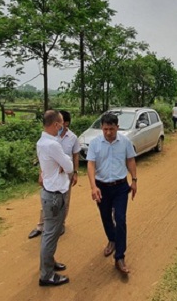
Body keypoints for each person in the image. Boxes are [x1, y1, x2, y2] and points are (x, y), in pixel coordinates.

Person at [86, 112, 138, 275]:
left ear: (117, 127)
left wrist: (134, 180)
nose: (108, 132)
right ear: (102, 127)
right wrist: (93, 186)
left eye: (111, 129)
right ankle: (112, 239)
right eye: (105, 129)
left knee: (121, 219)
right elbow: (91, 164)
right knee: (106, 217)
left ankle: (120, 257)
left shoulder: (125, 142)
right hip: (102, 186)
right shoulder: (95, 143)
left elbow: (130, 160)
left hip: (121, 187)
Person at [28, 110, 81, 239]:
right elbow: (44, 157)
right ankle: (41, 226)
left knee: (65, 201)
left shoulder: (73, 138)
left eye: (64, 123)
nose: (62, 126)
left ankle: (61, 225)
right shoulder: (50, 137)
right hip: (51, 174)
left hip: (66, 174)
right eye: (60, 122)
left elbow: (75, 156)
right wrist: (41, 172)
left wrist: (75, 173)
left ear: (66, 123)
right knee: (47, 201)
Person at [36, 110, 74, 287]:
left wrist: (62, 163)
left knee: (49, 233)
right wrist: (64, 161)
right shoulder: (53, 145)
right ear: (56, 125)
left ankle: (48, 264)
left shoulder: (43, 141)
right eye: (61, 124)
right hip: (54, 196)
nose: (63, 127)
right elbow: (69, 166)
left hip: (49, 191)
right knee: (51, 234)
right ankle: (47, 275)